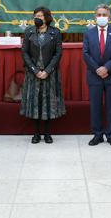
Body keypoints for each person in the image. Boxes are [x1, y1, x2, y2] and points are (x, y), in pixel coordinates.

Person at [21, 7, 66, 144]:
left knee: (48, 104)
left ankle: (47, 133)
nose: (38, 18)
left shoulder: (55, 32)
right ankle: (36, 134)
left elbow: (58, 53)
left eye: (40, 16)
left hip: (50, 74)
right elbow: (25, 53)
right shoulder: (29, 32)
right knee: (35, 103)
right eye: (36, 15)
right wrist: (35, 70)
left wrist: (47, 70)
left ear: (47, 18)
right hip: (33, 74)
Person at [83, 4, 111, 147]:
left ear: (109, 16)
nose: (101, 17)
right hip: (94, 76)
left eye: (104, 15)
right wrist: (97, 69)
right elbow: (86, 54)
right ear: (95, 17)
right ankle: (97, 135)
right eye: (99, 15)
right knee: (95, 106)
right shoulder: (89, 33)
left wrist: (106, 68)